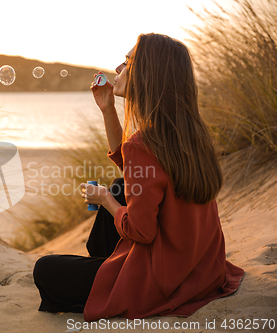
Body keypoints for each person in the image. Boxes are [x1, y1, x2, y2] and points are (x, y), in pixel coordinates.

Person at [33, 33, 244, 321]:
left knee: (45, 270)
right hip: (202, 270)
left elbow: (141, 231)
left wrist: (105, 198)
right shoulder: (191, 133)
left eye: (128, 61)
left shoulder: (143, 144)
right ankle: (107, 265)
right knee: (122, 187)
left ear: (147, 74)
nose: (118, 68)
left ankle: (110, 273)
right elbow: (140, 176)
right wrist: (108, 109)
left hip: (162, 280)